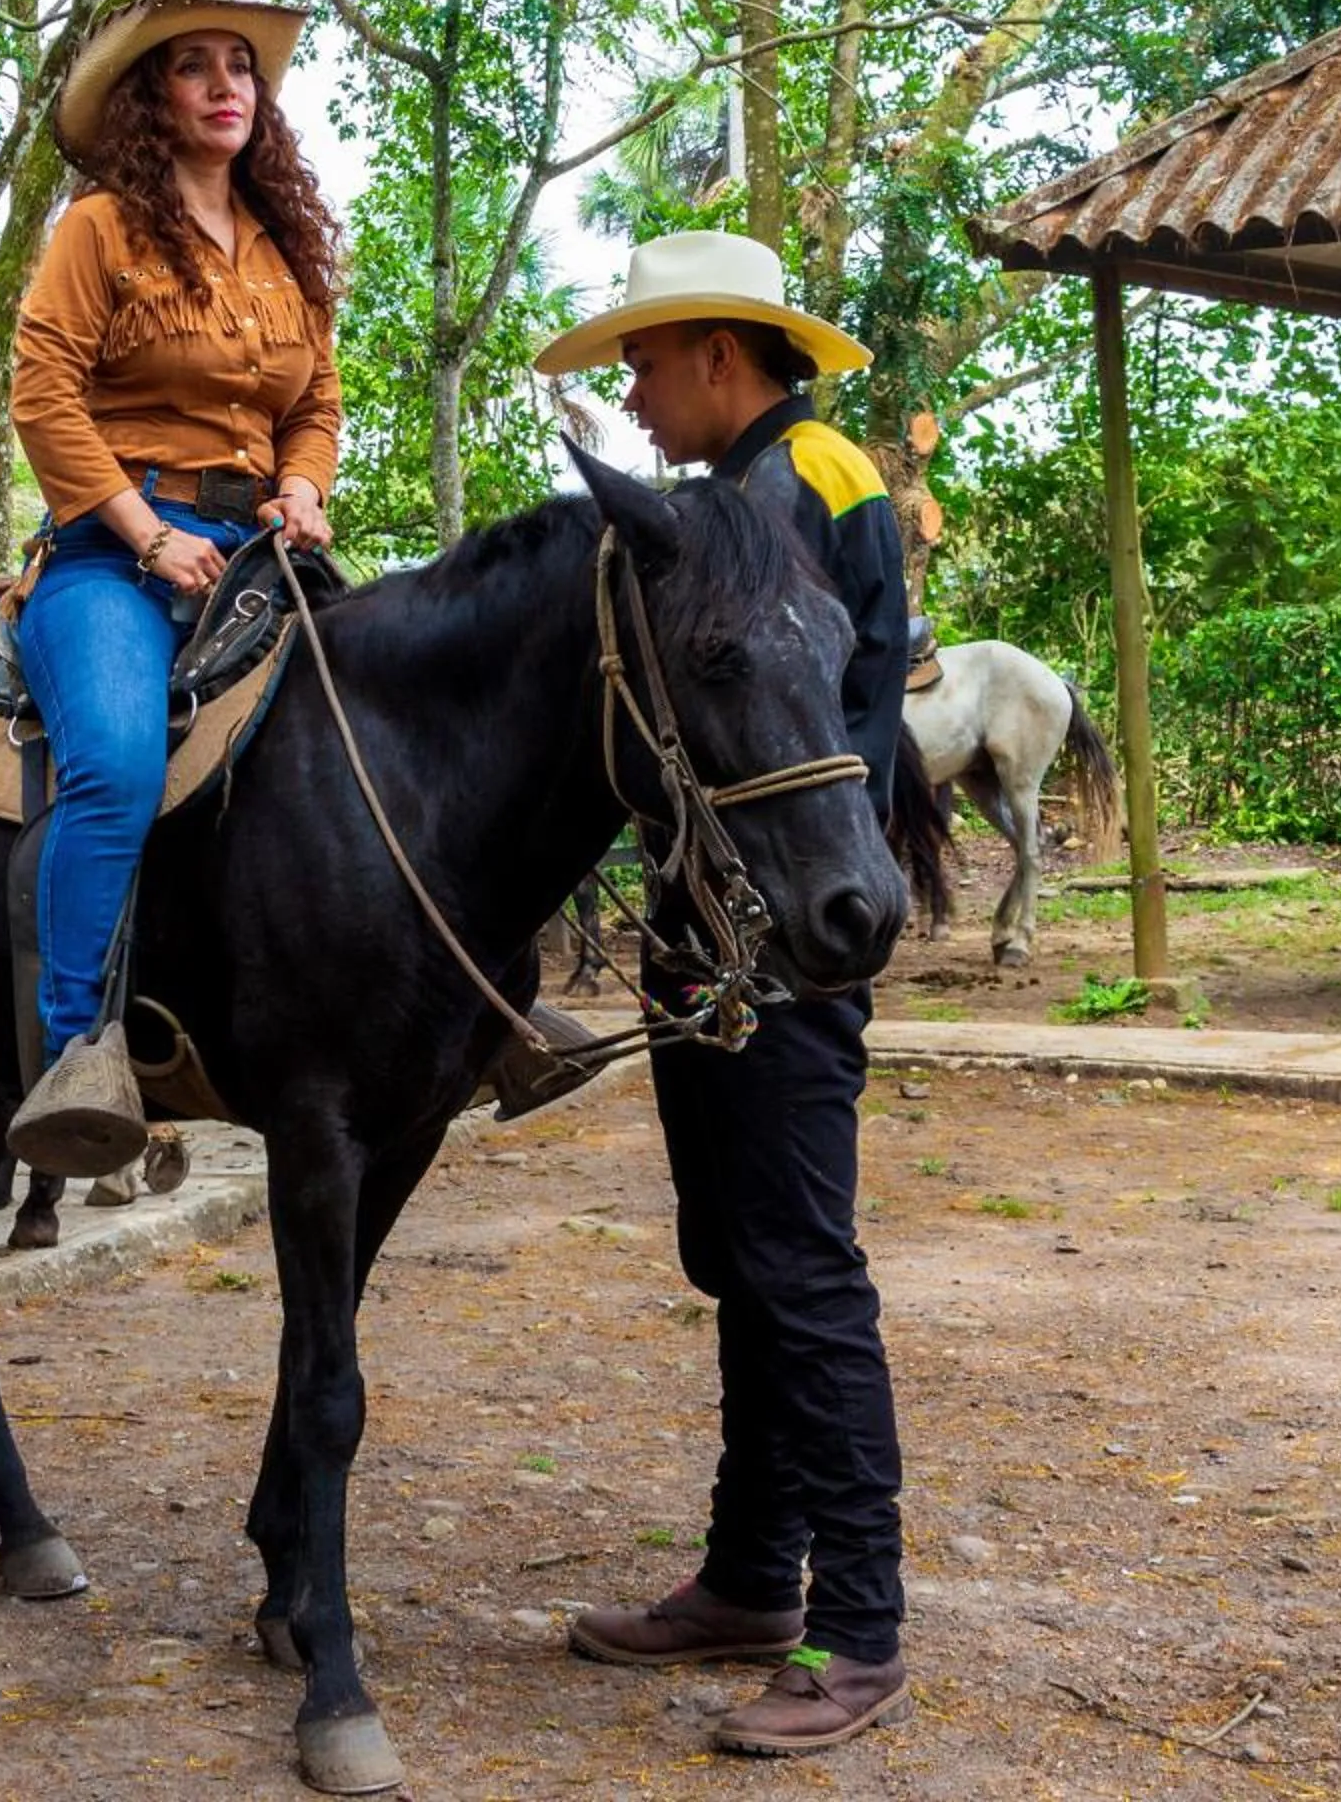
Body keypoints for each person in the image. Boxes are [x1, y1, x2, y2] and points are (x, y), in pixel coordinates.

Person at [531, 232, 914, 1757]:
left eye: (641, 358)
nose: (629, 390)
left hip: (782, 945)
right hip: (719, 933)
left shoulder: (807, 477)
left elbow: (834, 713)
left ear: (716, 351)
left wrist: (793, 929)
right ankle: (754, 1574)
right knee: (744, 1257)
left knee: (802, 1272)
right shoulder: (742, 489)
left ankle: (862, 1628)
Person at [3, 0, 342, 1174]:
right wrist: (145, 534)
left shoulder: (283, 245)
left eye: (240, 64)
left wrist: (303, 485)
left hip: (265, 546)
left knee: (399, 715)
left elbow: (316, 404)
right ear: (152, 98)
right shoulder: (96, 230)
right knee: (116, 762)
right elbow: (42, 397)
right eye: (195, 65)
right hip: (114, 551)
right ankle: (79, 1057)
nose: (224, 85)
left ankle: (450, 1006)